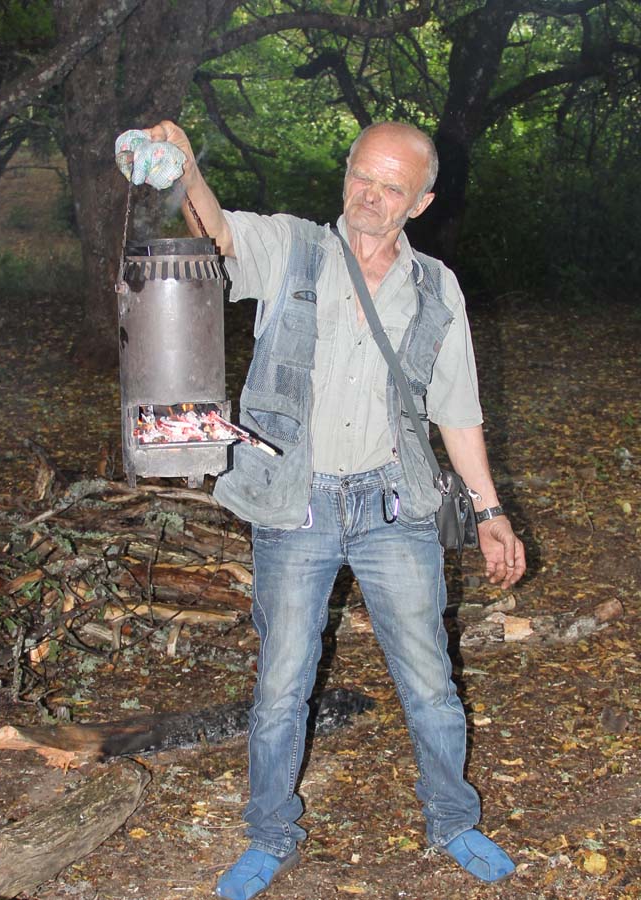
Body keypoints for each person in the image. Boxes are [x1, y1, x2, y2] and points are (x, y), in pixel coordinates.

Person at [120, 119, 526, 899]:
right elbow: (219, 235)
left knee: (431, 682)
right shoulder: (293, 248)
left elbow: (457, 411)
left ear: (420, 202)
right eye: (360, 176)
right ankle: (270, 833)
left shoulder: (436, 288)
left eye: (391, 187)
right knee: (281, 686)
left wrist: (489, 511)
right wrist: (188, 169)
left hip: (394, 508)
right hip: (295, 505)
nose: (369, 196)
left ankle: (452, 820)